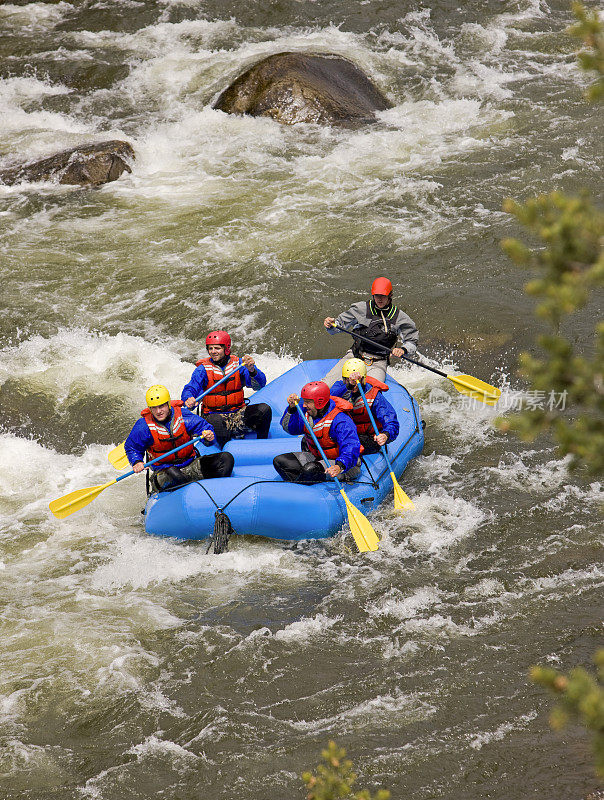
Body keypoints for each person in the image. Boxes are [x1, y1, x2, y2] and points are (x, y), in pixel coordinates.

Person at [125, 384, 234, 492]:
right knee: (174, 473)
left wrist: (208, 437)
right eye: (154, 408)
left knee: (225, 459)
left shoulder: (183, 416)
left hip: (190, 464)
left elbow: (204, 428)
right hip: (164, 472)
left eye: (161, 406)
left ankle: (217, 493)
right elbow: (132, 447)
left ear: (168, 404)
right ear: (149, 408)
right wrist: (136, 461)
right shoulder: (143, 426)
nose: (158, 411)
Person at [181, 330, 272, 449]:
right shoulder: (202, 370)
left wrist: (252, 370)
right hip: (215, 416)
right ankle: (225, 449)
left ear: (226, 348)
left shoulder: (240, 364)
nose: (213, 352)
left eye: (217, 348)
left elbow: (259, 385)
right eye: (210, 348)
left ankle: (262, 444)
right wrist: (188, 398)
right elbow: (190, 388)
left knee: (264, 409)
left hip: (238, 414)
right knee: (215, 421)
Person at [322, 277, 419, 386]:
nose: (380, 299)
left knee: (370, 393)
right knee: (327, 386)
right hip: (355, 356)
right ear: (373, 295)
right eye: (377, 296)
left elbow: (412, 342)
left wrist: (403, 350)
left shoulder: (400, 318)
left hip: (378, 363)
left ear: (390, 295)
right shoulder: (360, 309)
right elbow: (338, 326)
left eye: (383, 296)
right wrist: (331, 325)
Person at [273, 380, 361, 484]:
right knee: (280, 461)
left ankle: (305, 483)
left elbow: (351, 446)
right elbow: (291, 429)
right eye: (304, 401)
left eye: (308, 402)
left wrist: (339, 466)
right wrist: (292, 409)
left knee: (310, 469)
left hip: (344, 464)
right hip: (318, 459)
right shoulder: (308, 414)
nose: (304, 405)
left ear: (320, 402)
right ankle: (301, 484)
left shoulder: (341, 420)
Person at [330, 358, 399, 455]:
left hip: (367, 438)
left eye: (358, 381)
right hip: (346, 434)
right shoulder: (339, 387)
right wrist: (348, 385)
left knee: (356, 443)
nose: (355, 386)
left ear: (364, 379)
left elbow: (391, 421)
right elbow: (330, 400)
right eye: (347, 380)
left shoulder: (374, 395)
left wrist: (385, 435)